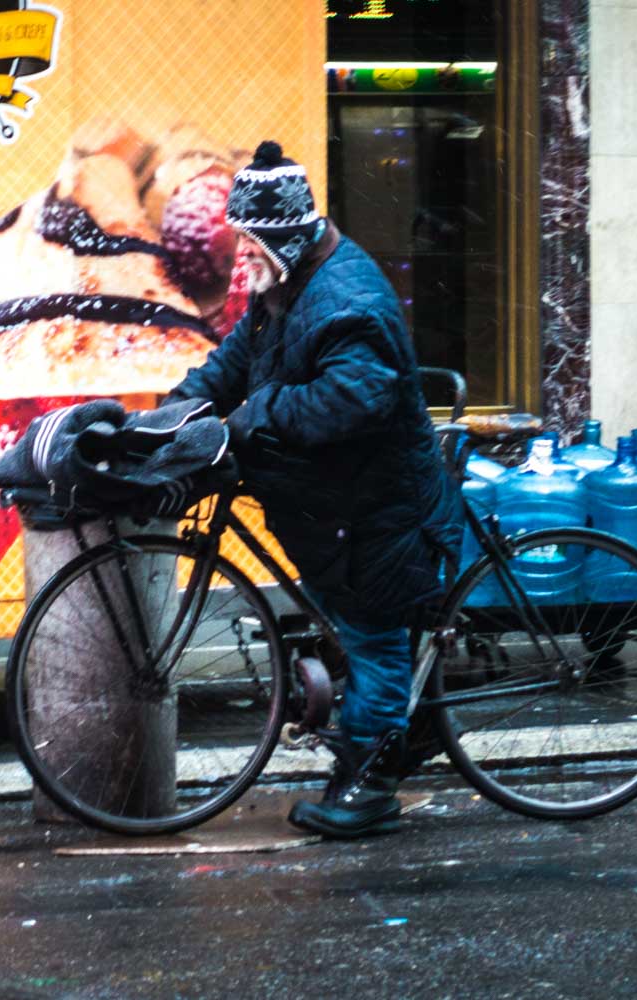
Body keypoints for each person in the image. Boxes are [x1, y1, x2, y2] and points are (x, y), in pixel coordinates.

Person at [165, 141, 461, 838]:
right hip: (341, 508)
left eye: (249, 243)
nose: (241, 257)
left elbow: (355, 396)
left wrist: (256, 416)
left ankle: (370, 789)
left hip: (381, 511)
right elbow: (233, 363)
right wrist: (172, 417)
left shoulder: (345, 300)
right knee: (361, 633)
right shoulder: (285, 289)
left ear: (284, 241)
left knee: (376, 640)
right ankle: (407, 731)